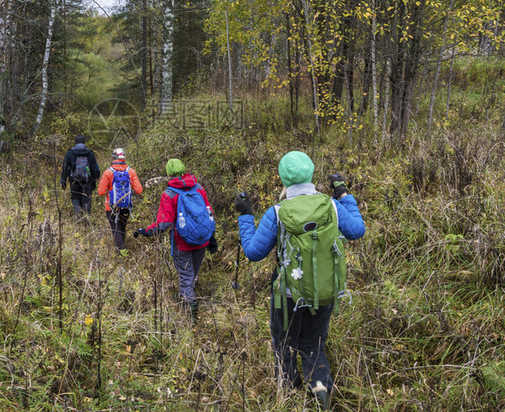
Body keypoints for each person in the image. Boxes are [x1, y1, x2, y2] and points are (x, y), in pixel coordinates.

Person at [234, 151, 364, 410]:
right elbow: (357, 230)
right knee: (314, 345)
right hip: (324, 291)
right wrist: (344, 196)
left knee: (284, 344)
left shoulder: (277, 213)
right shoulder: (331, 205)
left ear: (283, 179)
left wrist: (245, 215)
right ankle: (320, 391)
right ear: (311, 174)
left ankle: (290, 396)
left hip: (287, 294)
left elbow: (253, 252)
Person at [135, 158, 217, 319]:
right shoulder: (199, 188)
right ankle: (188, 296)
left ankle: (191, 317)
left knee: (186, 277)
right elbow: (209, 213)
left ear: (169, 174)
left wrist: (147, 231)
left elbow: (163, 223)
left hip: (183, 243)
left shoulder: (169, 194)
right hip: (202, 240)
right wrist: (212, 236)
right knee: (192, 274)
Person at [97, 148, 143, 250]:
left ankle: (121, 254)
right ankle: (123, 251)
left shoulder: (108, 172)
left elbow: (101, 192)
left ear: (114, 158)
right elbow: (139, 190)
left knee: (116, 230)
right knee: (122, 228)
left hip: (111, 206)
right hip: (126, 205)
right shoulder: (130, 171)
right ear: (124, 157)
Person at [60, 134, 100, 217]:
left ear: (75, 142)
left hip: (74, 181)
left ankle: (78, 215)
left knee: (75, 198)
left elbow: (65, 169)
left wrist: (63, 181)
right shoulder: (90, 153)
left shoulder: (70, 153)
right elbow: (94, 168)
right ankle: (86, 221)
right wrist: (95, 179)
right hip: (87, 182)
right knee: (86, 201)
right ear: (84, 142)